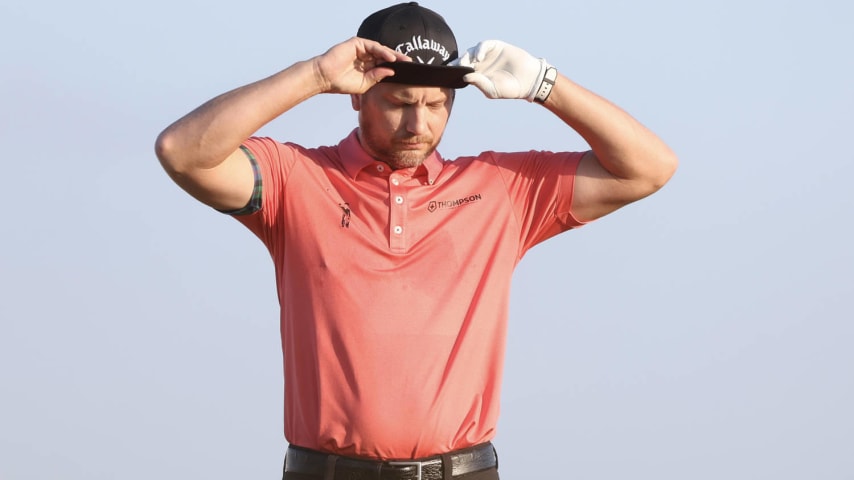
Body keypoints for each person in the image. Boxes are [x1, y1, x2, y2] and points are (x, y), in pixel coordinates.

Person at [155, 2, 678, 479]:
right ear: (358, 97)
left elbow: (649, 169)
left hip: (464, 472)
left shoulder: (501, 189)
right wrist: (313, 75)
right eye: (400, 102)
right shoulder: (295, 178)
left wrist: (546, 84)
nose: (418, 124)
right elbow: (182, 151)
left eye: (435, 104)